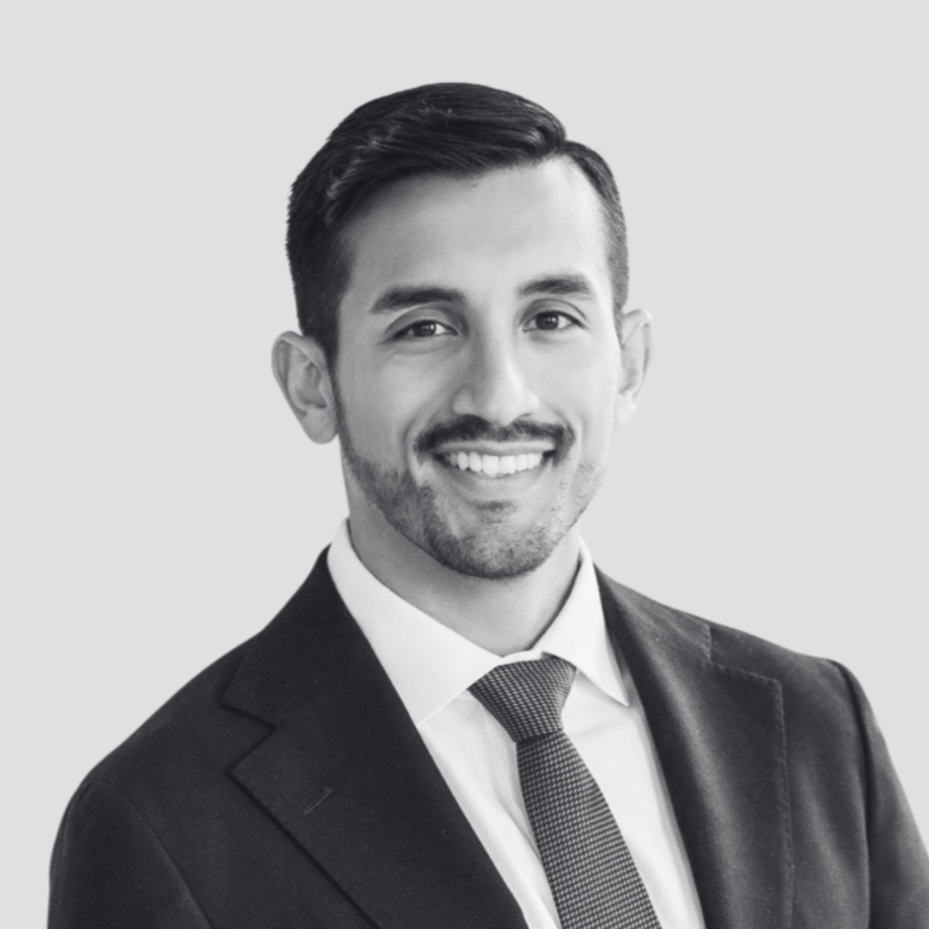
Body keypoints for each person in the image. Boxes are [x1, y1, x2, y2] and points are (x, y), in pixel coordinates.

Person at [48, 83, 929, 929]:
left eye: (550, 318)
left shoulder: (817, 722)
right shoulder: (161, 822)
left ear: (628, 361)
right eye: (424, 328)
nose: (500, 395)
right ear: (312, 386)